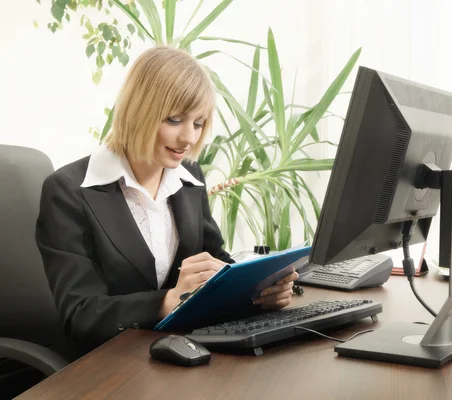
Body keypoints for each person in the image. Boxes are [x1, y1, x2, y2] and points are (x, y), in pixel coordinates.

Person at [36, 46, 298, 361]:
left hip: (176, 352)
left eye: (199, 124)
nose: (188, 137)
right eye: (175, 120)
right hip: (104, 365)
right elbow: (81, 313)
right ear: (139, 110)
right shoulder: (69, 191)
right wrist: (166, 302)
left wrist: (260, 290)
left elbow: (214, 260)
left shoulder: (188, 177)